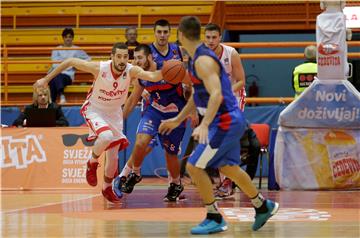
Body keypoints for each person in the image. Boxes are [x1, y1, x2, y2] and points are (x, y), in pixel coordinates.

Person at [159, 16, 279, 235]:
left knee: (194, 167)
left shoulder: (202, 61)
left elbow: (216, 94)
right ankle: (262, 206)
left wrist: (204, 124)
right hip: (228, 121)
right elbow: (198, 96)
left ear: (181, 36)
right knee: (227, 168)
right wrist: (177, 119)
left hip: (224, 122)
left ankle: (214, 217)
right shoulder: (196, 58)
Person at [34, 42, 162, 203]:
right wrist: (46, 80)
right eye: (119, 56)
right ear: (112, 56)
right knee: (106, 136)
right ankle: (92, 162)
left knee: (114, 157)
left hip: (114, 112)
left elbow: (153, 76)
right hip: (95, 109)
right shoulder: (100, 68)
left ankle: (106, 188)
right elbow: (70, 61)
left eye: (125, 56)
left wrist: (171, 70)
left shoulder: (131, 70)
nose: (122, 60)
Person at [113, 19, 187, 202]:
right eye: (135, 59)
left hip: (175, 112)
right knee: (141, 143)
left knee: (170, 153)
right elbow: (131, 100)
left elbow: (191, 87)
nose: (136, 62)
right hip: (153, 109)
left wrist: (192, 110)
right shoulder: (141, 74)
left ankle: (175, 183)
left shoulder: (172, 65)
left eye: (165, 32)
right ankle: (132, 174)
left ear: (150, 58)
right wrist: (117, 122)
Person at [49, 28, 91, 104]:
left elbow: (88, 59)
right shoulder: (56, 50)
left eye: (70, 37)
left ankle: (53, 101)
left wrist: (77, 64)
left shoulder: (77, 49)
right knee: (53, 78)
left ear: (72, 38)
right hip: (57, 73)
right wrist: (69, 64)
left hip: (68, 75)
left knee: (54, 78)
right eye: (66, 37)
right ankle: (57, 100)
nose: (68, 39)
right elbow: (54, 64)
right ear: (63, 38)